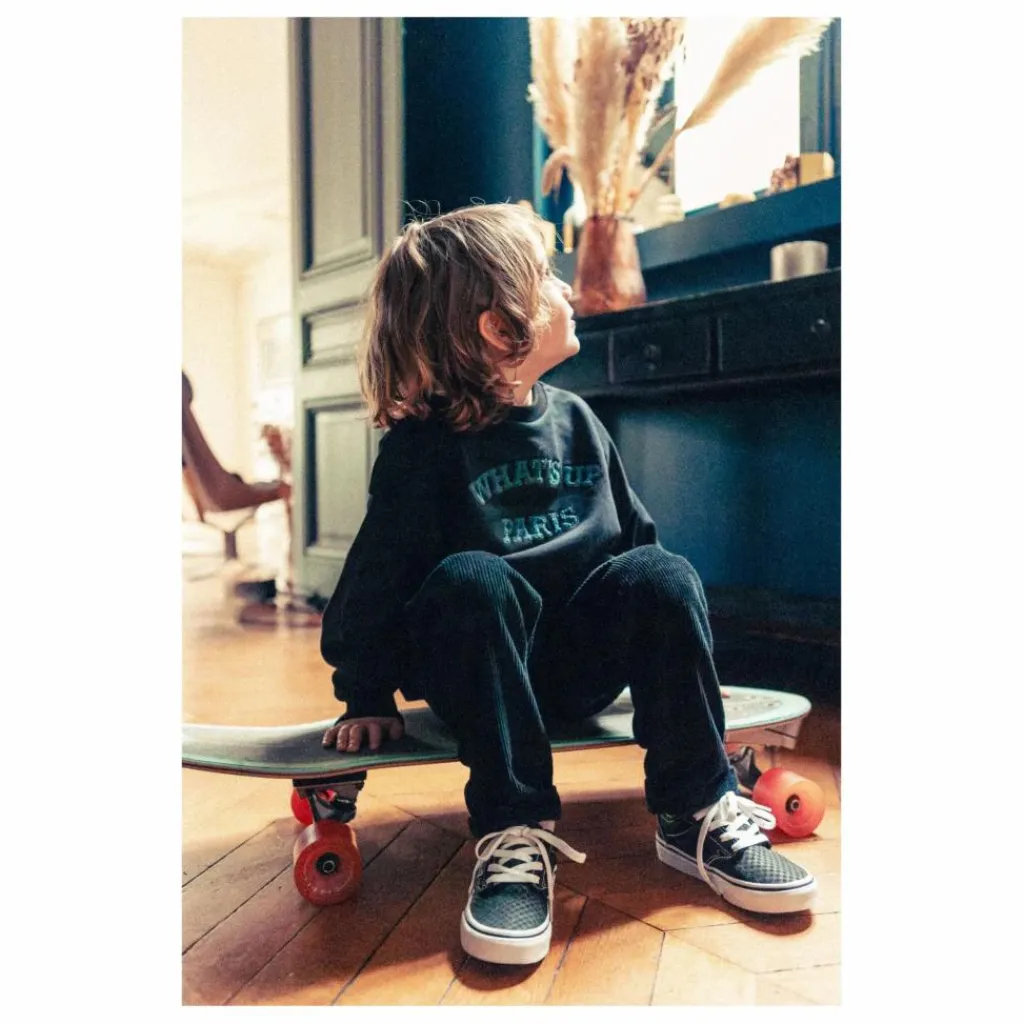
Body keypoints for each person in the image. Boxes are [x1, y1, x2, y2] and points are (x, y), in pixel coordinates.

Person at [319, 204, 816, 966]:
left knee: (662, 572)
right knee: (474, 579)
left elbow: (637, 551)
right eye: (546, 279)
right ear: (498, 328)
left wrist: (674, 665)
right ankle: (513, 830)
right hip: (480, 676)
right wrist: (364, 695)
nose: (563, 288)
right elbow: (374, 581)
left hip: (578, 671)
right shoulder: (423, 451)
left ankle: (695, 810)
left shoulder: (579, 421)